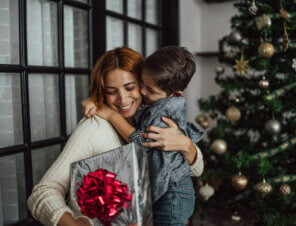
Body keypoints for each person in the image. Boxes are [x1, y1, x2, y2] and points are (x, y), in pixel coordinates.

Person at [27, 47, 204, 226]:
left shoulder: (149, 117)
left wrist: (185, 145)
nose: (123, 99)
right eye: (111, 92)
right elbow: (43, 192)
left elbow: (197, 169)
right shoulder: (94, 127)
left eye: (130, 87)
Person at [83, 46, 203, 225]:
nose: (143, 93)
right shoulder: (153, 103)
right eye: (142, 84)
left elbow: (141, 143)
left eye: (150, 91)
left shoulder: (163, 113)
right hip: (167, 192)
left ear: (175, 94)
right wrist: (96, 99)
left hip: (172, 193)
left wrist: (111, 114)